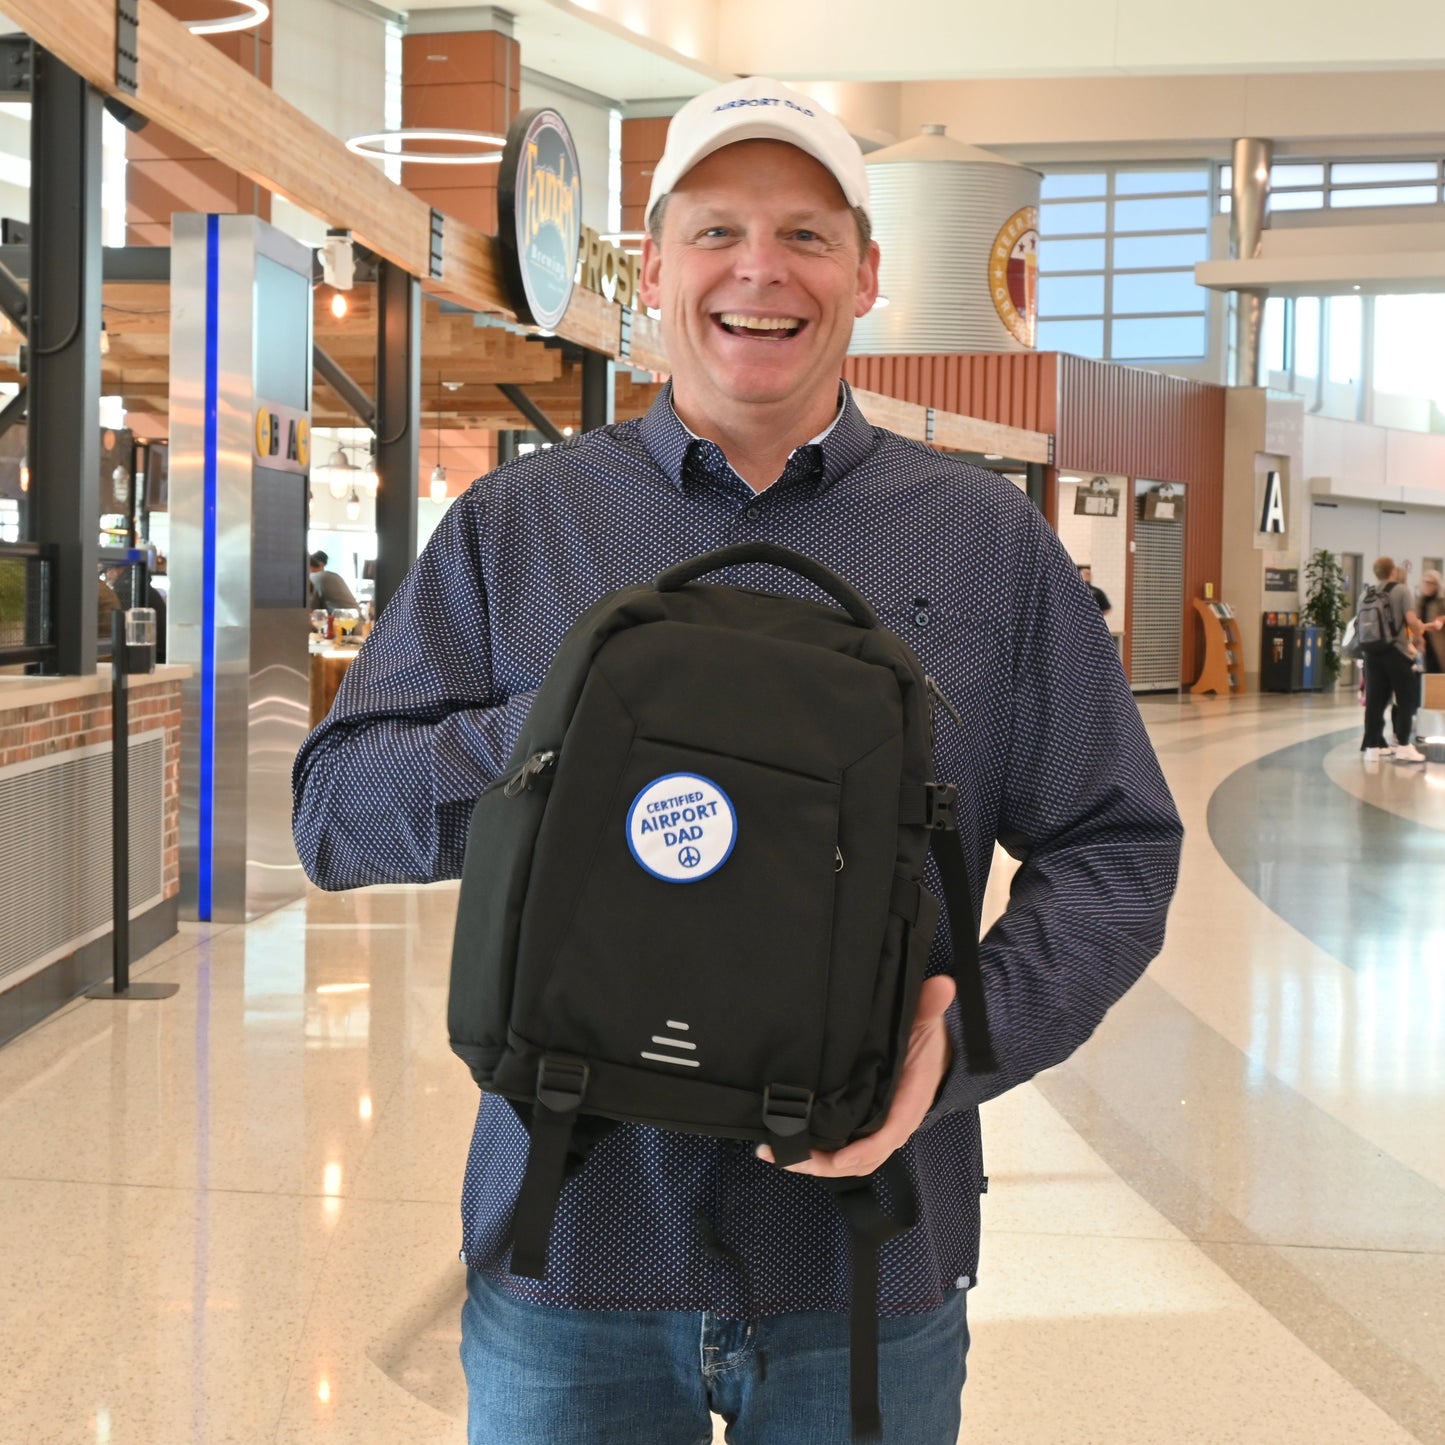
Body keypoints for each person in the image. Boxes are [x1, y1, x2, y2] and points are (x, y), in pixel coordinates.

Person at [292, 76, 1183, 1444]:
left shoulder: (980, 545)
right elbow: (335, 811)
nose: (759, 270)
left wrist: (963, 1040)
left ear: (868, 273)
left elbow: (1116, 845)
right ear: (650, 267)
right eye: (715, 230)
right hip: (573, 1252)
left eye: (807, 235)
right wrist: (565, 733)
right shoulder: (522, 527)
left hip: (864, 1268)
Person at [1360, 556, 1432, 763]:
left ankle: (1372, 748)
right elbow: (1411, 621)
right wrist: (1419, 639)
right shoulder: (1401, 591)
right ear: (1392, 571)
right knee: (1406, 698)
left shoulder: (1366, 593)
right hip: (1396, 652)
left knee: (1374, 701)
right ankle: (1403, 746)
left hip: (1371, 653)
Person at [1416, 568, 1445, 673]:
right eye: (1425, 582)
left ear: (1437, 585)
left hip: (1438, 646)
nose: (1427, 585)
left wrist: (1441, 621)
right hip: (1421, 645)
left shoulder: (1441, 600)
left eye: (1431, 583)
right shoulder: (1419, 601)